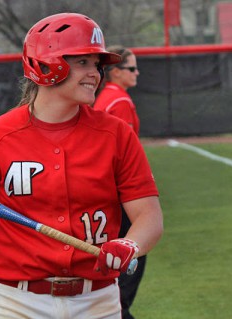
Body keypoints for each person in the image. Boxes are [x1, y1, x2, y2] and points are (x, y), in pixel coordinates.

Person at [0, 13, 163, 319]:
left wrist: (128, 244)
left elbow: (149, 217)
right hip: (16, 303)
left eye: (97, 64)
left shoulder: (116, 134)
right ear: (46, 65)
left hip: (97, 301)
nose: (95, 72)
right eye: (83, 62)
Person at [93, 46, 144, 319]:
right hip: (118, 194)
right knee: (132, 255)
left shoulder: (106, 97)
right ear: (115, 72)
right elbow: (123, 156)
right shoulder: (119, 101)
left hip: (105, 192)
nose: (137, 73)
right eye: (132, 68)